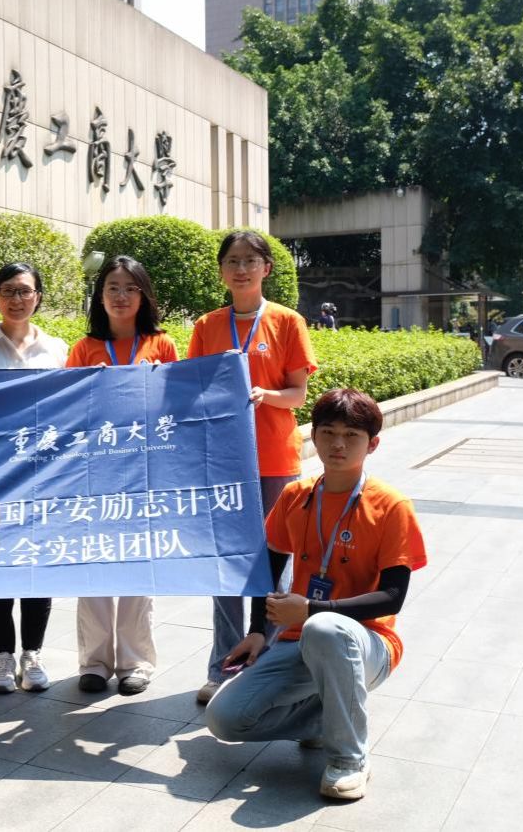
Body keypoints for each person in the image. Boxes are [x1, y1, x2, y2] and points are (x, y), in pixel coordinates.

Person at [205, 388, 427, 801]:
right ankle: (327, 721)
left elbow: (392, 596)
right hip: (300, 639)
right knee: (224, 720)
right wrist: (258, 631)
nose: (338, 444)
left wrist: (310, 608)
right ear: (315, 435)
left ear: (372, 444)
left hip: (368, 642)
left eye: (351, 435)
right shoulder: (296, 496)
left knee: (325, 627)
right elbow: (269, 567)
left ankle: (349, 758)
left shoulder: (391, 505)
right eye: (328, 432)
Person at [189, 231, 317, 706]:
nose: (241, 269)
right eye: (232, 261)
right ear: (222, 270)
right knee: (224, 566)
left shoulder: (287, 322)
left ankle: (268, 668)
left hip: (274, 459)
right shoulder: (207, 325)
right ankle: (222, 667)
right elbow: (191, 390)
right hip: (222, 461)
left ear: (266, 268)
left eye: (250, 261)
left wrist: (266, 396)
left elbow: (298, 395)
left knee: (275, 564)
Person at [66, 255, 178, 696]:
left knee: (137, 565)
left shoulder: (162, 345)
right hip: (95, 473)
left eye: (131, 288)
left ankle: (135, 662)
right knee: (94, 564)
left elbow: (177, 407)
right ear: (100, 296)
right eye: (112, 287)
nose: (121, 295)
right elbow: (66, 411)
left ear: (144, 296)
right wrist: (87, 389)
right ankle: (94, 661)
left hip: (146, 472)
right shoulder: (84, 349)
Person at [0, 262, 69, 693]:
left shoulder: (57, 349)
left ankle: (32, 654)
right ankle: (3, 657)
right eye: (8, 290)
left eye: (25, 291)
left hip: (44, 476)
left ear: (38, 296)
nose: (17, 299)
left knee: (38, 565)